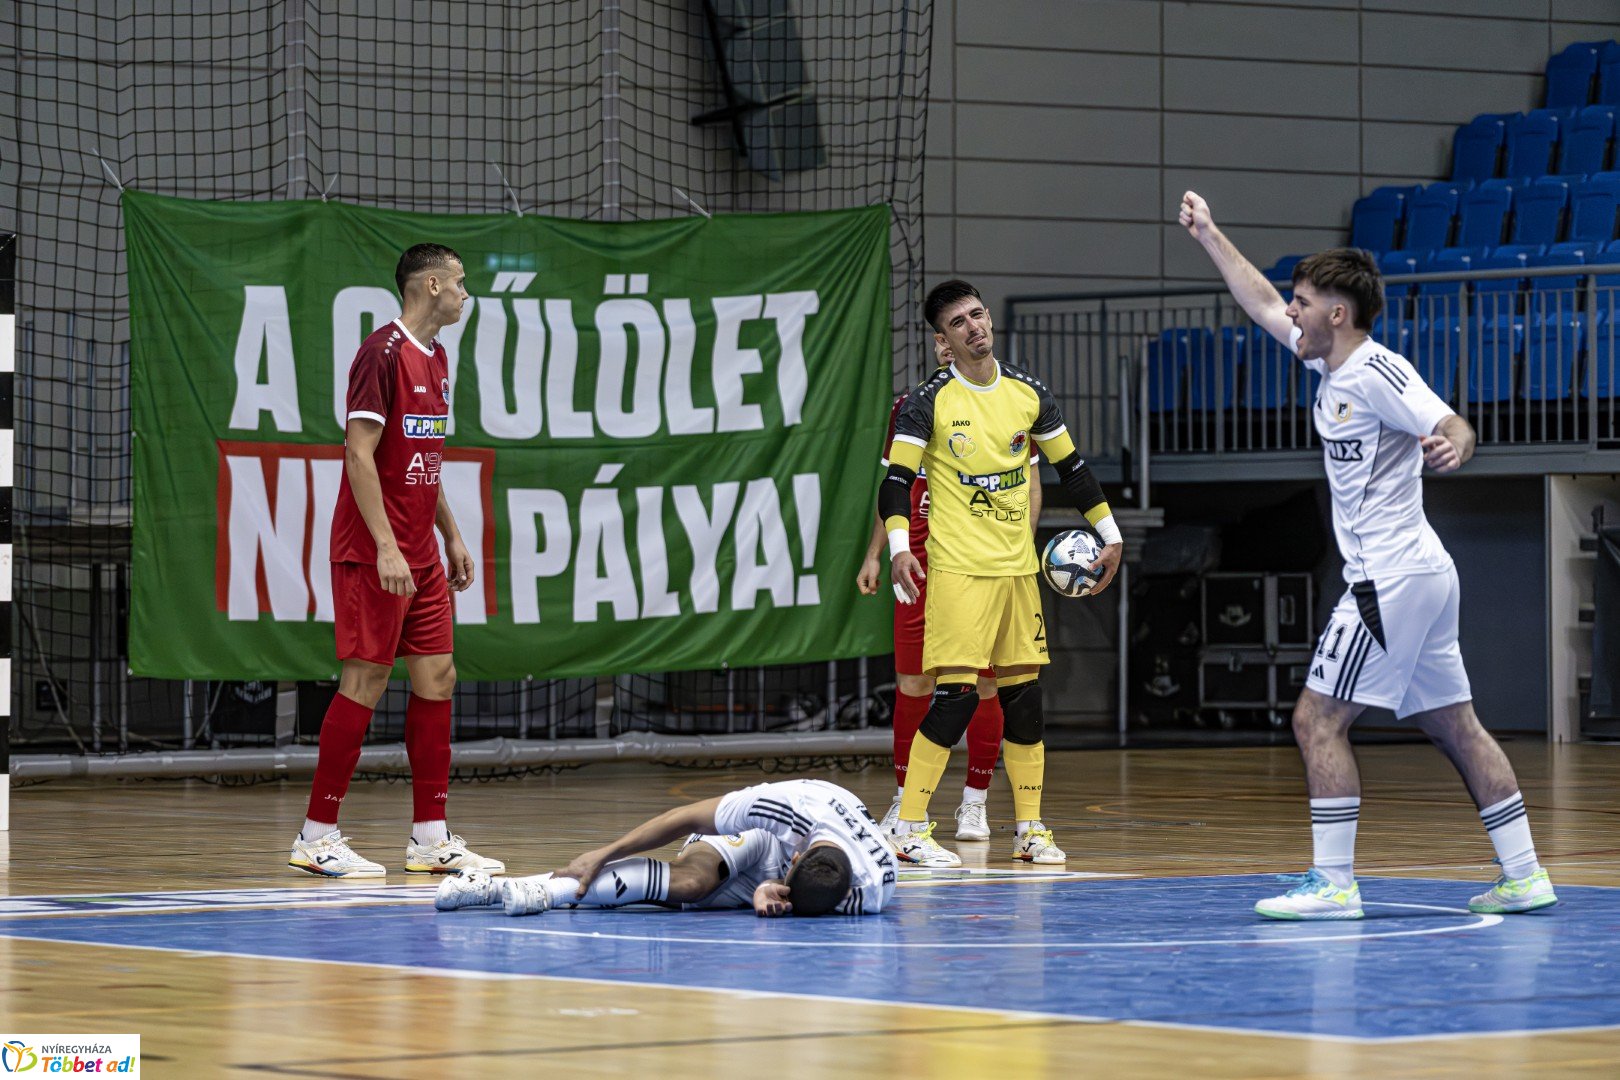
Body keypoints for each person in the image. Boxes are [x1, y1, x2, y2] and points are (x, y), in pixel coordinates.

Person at [1179, 190, 1557, 919]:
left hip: (1393, 579)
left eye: (1303, 301)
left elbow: (1451, 420)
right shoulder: (1328, 366)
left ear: (1338, 314)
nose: (1290, 311)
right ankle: (1526, 875)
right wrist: (1212, 235)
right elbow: (1259, 303)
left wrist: (1456, 443)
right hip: (1418, 576)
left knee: (1316, 721)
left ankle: (1334, 885)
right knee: (1456, 725)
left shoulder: (1379, 373)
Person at [878, 279, 1123, 868]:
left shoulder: (1028, 393)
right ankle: (911, 827)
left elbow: (1074, 469)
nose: (976, 326)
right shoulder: (928, 402)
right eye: (960, 322)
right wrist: (895, 548)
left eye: (979, 314)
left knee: (1026, 700)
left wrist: (1111, 536)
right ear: (944, 339)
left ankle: (1030, 829)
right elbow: (895, 483)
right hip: (959, 571)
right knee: (957, 696)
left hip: (1018, 574)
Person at [288, 243, 504, 879]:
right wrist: (385, 545)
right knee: (366, 682)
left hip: (423, 554)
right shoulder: (380, 353)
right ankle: (316, 835)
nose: (466, 294)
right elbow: (359, 455)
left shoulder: (437, 360)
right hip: (373, 551)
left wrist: (453, 536)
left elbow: (422, 460)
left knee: (438, 678)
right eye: (460, 283)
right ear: (431, 285)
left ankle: (430, 839)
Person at [858, 337, 1042, 844]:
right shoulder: (911, 406)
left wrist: (1017, 552)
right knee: (914, 682)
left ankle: (975, 802)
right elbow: (891, 491)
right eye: (944, 334)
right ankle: (904, 802)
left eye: (965, 328)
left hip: (981, 563)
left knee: (985, 685)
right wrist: (878, 552)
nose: (953, 342)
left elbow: (1029, 483)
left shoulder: (1005, 400)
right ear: (937, 343)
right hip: (919, 564)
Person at [437, 779, 894, 917]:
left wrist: (774, 892)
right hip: (760, 844)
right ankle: (530, 890)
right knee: (691, 883)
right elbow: (686, 816)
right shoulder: (785, 805)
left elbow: (815, 896)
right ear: (797, 858)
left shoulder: (873, 886)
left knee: (667, 899)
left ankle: (495, 889)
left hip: (780, 872)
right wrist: (606, 852)